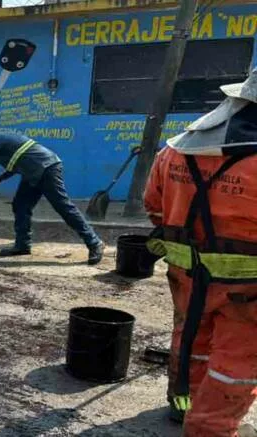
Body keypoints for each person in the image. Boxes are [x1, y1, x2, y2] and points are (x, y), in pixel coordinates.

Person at [145, 69, 257, 437]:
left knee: (191, 340)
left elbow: (155, 209)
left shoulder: (175, 150)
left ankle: (181, 406)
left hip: (187, 278)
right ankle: (208, 429)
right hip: (248, 293)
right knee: (234, 366)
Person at [0, 126, 104, 265]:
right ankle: (22, 245)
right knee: (20, 205)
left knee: (63, 207)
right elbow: (17, 162)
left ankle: (94, 242)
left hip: (47, 168)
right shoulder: (0, 139)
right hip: (33, 171)